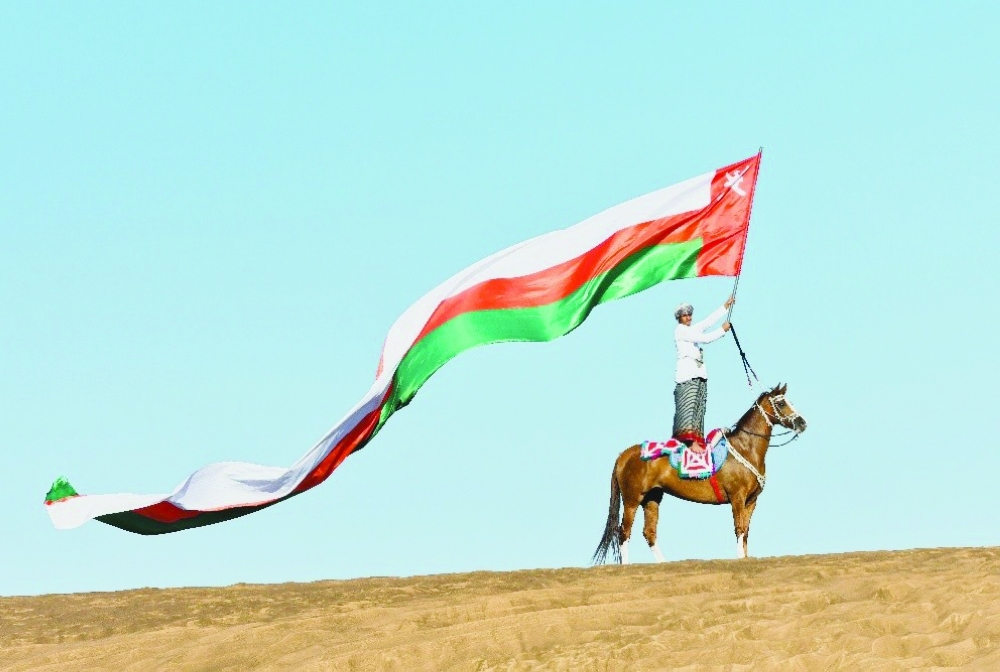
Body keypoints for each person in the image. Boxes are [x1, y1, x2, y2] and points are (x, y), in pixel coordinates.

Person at [672, 296, 735, 450]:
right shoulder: (681, 331)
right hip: (687, 375)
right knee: (690, 406)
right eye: (685, 315)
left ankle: (698, 440)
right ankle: (689, 442)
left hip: (699, 374)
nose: (688, 317)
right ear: (679, 317)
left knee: (700, 407)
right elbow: (704, 338)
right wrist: (722, 330)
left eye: (690, 314)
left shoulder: (689, 329)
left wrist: (724, 307)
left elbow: (706, 323)